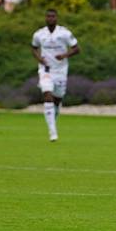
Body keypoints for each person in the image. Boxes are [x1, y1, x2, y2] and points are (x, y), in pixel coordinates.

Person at [31, 9, 80, 142]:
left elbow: (77, 49)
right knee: (47, 94)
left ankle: (53, 120)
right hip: (45, 70)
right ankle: (52, 132)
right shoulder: (39, 34)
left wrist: (64, 55)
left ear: (56, 18)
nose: (50, 18)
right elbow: (34, 47)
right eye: (48, 16)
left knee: (57, 100)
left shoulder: (64, 33)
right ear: (45, 18)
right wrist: (39, 59)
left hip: (61, 71)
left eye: (53, 16)